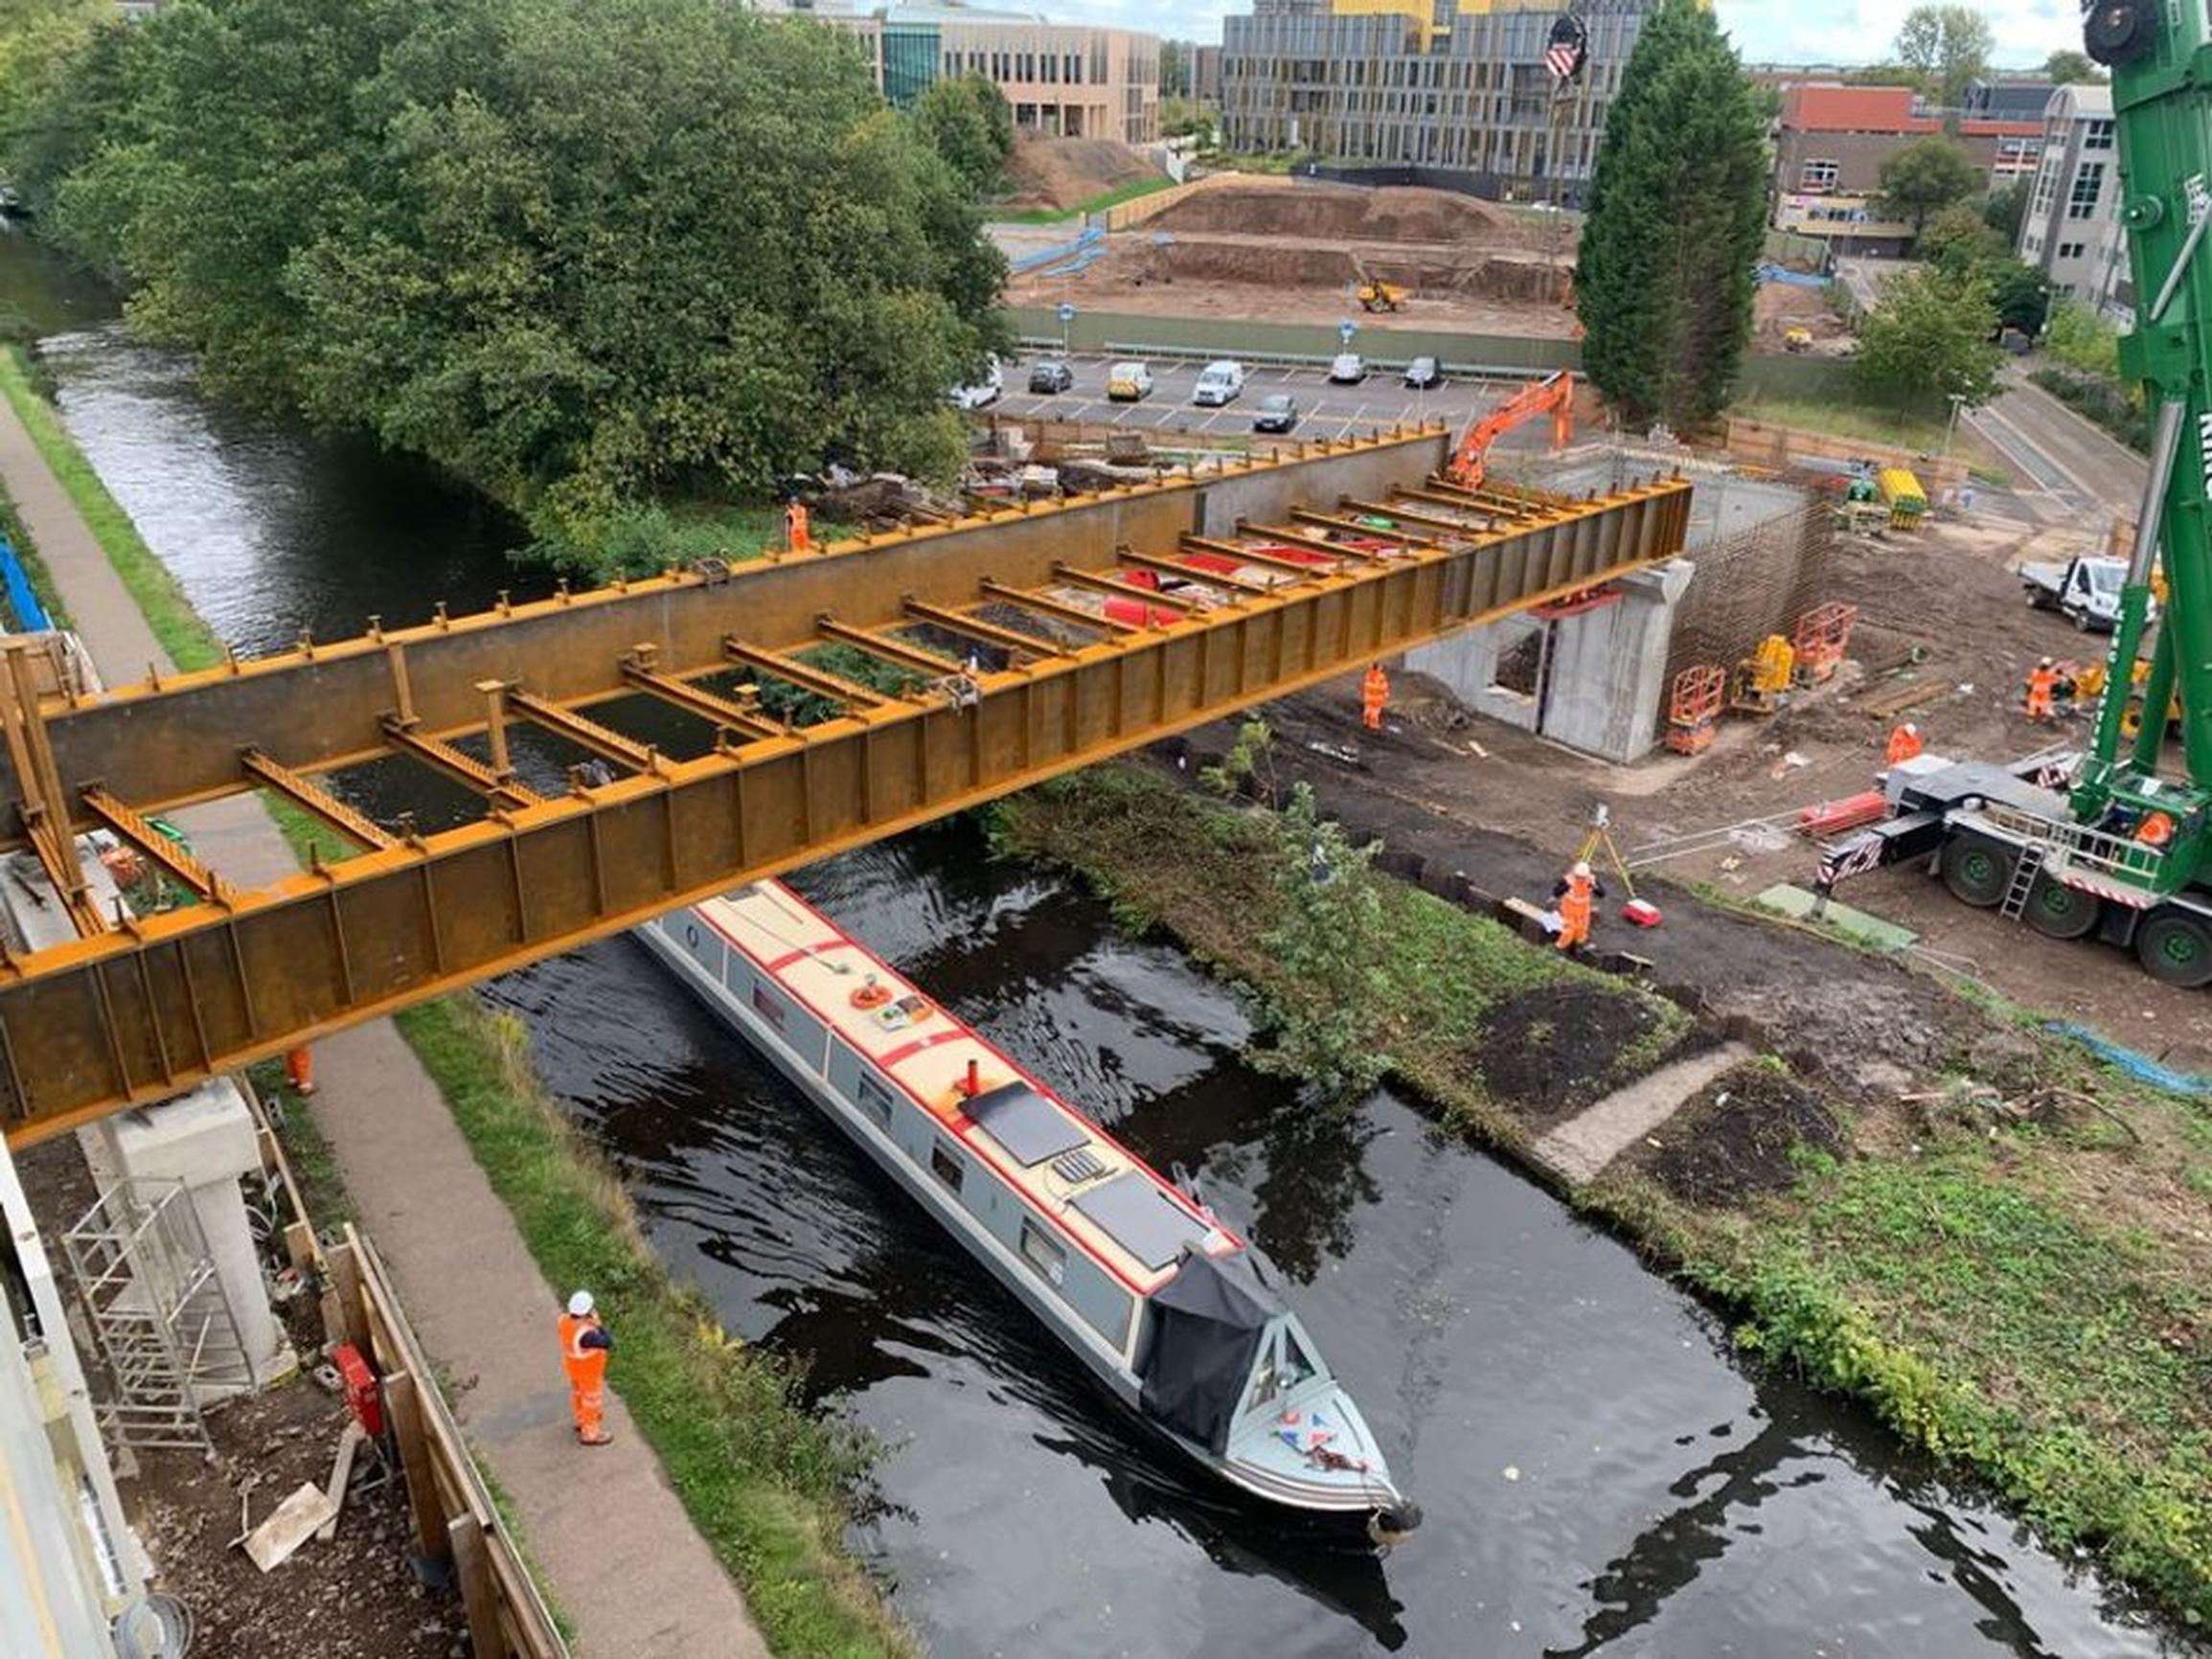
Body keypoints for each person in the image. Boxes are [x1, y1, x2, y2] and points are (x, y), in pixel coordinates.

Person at [558, 1289, 615, 1446]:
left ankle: (581, 1421)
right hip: (588, 1371)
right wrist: (599, 1325)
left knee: (579, 1395)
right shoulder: (587, 1335)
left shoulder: (563, 1320)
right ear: (587, 1311)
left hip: (573, 1367)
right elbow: (608, 1342)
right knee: (591, 1401)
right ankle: (591, 1433)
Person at [1552, 859, 1604, 954]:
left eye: (1583, 877)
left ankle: (1579, 947)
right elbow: (1556, 893)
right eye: (1579, 877)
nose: (1581, 879)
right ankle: (1558, 948)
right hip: (1569, 911)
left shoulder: (1591, 880)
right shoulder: (1567, 880)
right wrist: (1566, 887)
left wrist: (1594, 887)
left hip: (1583, 912)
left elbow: (1602, 894)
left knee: (1582, 930)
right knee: (1568, 931)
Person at [2024, 656, 2060, 721]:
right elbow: (2055, 682)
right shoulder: (2051, 673)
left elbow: (2031, 681)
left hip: (2036, 689)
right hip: (2045, 690)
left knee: (2033, 703)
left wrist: (2028, 687)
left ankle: (2030, 718)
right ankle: (2043, 715)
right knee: (2044, 703)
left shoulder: (2035, 671)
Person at [1361, 663, 1389, 732]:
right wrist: (1385, 694)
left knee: (1368, 708)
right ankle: (1373, 724)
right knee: (1375, 710)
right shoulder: (1380, 676)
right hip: (1377, 697)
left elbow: (1366, 686)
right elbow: (1383, 687)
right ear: (1378, 668)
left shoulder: (1368, 675)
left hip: (1368, 696)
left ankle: (1366, 720)